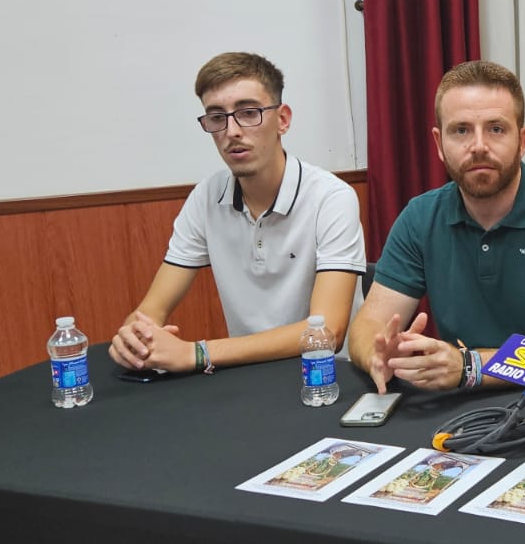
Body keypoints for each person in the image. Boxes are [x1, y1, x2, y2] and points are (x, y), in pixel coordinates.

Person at [348, 61, 525, 393]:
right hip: (457, 410)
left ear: (522, 140)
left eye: (496, 129)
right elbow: (366, 324)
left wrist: (472, 366)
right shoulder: (420, 217)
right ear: (439, 145)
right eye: (461, 130)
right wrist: (378, 354)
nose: (478, 146)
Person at [110, 52, 366, 373]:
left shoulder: (331, 197)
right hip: (246, 380)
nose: (231, 131)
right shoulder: (206, 196)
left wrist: (199, 353)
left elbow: (326, 333)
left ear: (283, 120)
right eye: (217, 117)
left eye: (248, 112)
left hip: (328, 379)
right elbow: (150, 311)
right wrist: (134, 336)